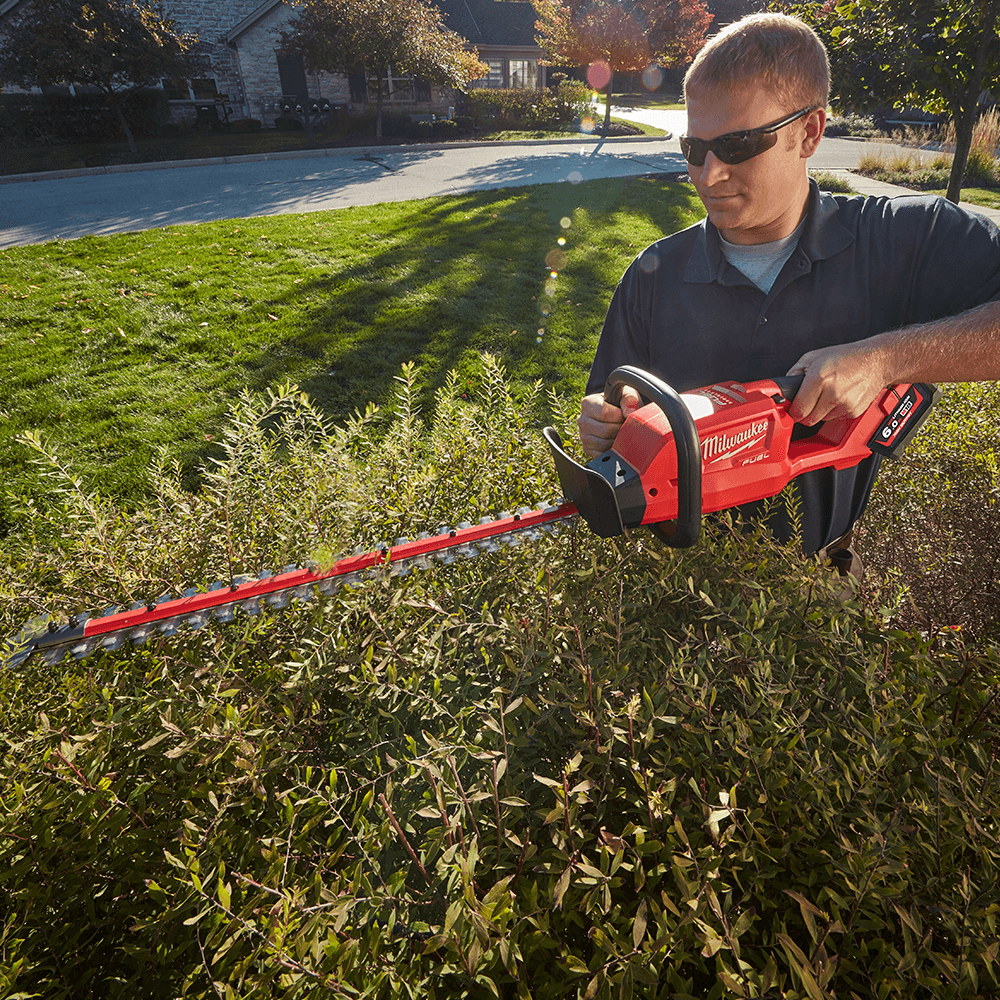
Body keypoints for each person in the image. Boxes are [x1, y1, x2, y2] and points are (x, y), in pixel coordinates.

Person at [578, 12, 1000, 561]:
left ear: (809, 132)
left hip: (820, 596)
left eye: (737, 146)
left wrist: (884, 359)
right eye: (694, 149)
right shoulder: (652, 277)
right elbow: (611, 421)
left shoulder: (901, 240)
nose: (708, 175)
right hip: (674, 596)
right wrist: (607, 430)